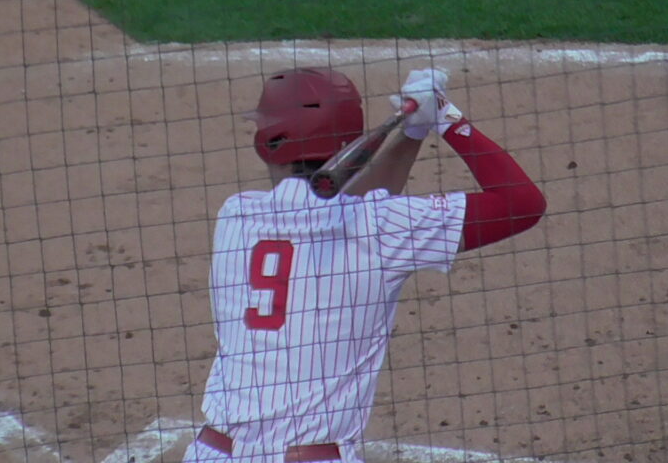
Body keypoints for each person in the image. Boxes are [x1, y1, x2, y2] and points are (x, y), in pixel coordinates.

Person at [183, 67, 546, 462]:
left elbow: (348, 205)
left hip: (211, 453)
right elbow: (521, 204)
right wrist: (444, 117)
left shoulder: (237, 216)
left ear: (268, 141)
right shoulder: (382, 228)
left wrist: (410, 134)